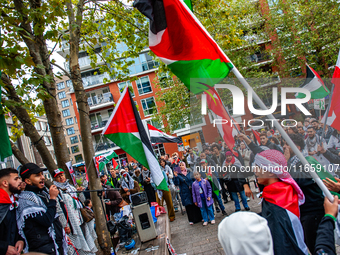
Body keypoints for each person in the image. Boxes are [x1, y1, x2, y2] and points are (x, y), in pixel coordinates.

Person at [253, 150, 308, 255]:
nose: (255, 170)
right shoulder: (282, 190)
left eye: (258, 166)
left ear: (270, 171)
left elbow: (281, 243)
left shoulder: (276, 202)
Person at [17, 163, 67, 254]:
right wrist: (52, 199)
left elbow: (54, 218)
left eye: (42, 174)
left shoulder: (43, 193)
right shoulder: (26, 199)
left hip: (56, 245)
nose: (42, 177)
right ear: (28, 181)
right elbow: (46, 220)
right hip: (43, 248)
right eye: (37, 175)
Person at [53, 168, 97, 255]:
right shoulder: (56, 191)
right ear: (55, 179)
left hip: (80, 217)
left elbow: (82, 201)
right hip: (72, 223)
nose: (61, 177)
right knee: (78, 244)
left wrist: (80, 193)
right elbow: (59, 209)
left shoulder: (71, 187)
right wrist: (65, 223)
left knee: (87, 239)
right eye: (58, 177)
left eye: (62, 175)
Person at [0, 168, 24, 255]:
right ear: (5, 183)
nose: (20, 181)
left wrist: (20, 240)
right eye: (16, 179)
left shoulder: (14, 201)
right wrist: (3, 248)